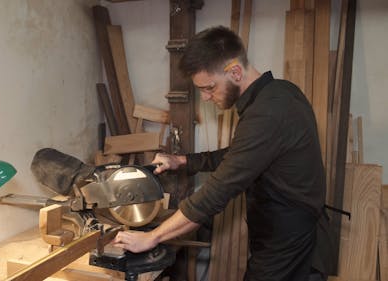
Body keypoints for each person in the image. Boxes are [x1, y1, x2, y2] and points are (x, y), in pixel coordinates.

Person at [112, 25, 332, 281]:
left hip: (289, 244)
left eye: (209, 87)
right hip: (284, 234)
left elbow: (218, 191)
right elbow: (242, 154)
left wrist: (152, 237)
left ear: (235, 72)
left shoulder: (269, 113)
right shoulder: (280, 92)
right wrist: (182, 161)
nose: (205, 97)